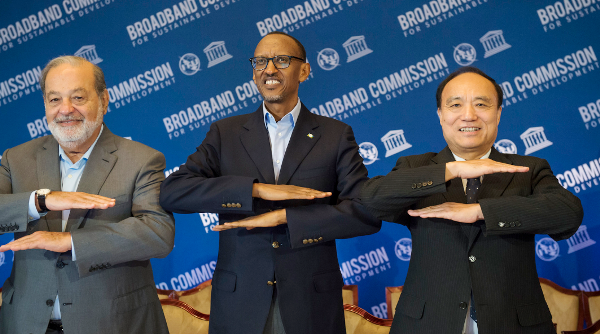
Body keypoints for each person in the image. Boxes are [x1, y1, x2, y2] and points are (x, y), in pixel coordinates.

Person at [159, 32, 381, 334]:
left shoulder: (335, 135)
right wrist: (253, 190)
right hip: (239, 302)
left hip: (310, 302)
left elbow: (365, 213)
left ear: (304, 70)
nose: (269, 69)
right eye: (260, 61)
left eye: (281, 60)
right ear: (253, 73)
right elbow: (173, 192)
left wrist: (287, 217)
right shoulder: (226, 133)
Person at [361, 66, 583, 334]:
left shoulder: (528, 169)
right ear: (441, 115)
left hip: (513, 324)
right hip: (428, 324)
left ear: (498, 113)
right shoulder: (414, 167)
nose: (469, 115)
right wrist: (451, 170)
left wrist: (482, 211)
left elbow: (568, 214)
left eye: (481, 104)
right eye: (455, 104)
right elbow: (370, 200)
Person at [0, 56, 175, 334]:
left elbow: (158, 233)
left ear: (104, 100)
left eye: (78, 97)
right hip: (25, 323)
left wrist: (71, 241)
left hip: (113, 324)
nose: (65, 110)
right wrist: (39, 201)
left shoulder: (142, 160)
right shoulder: (15, 158)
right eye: (54, 99)